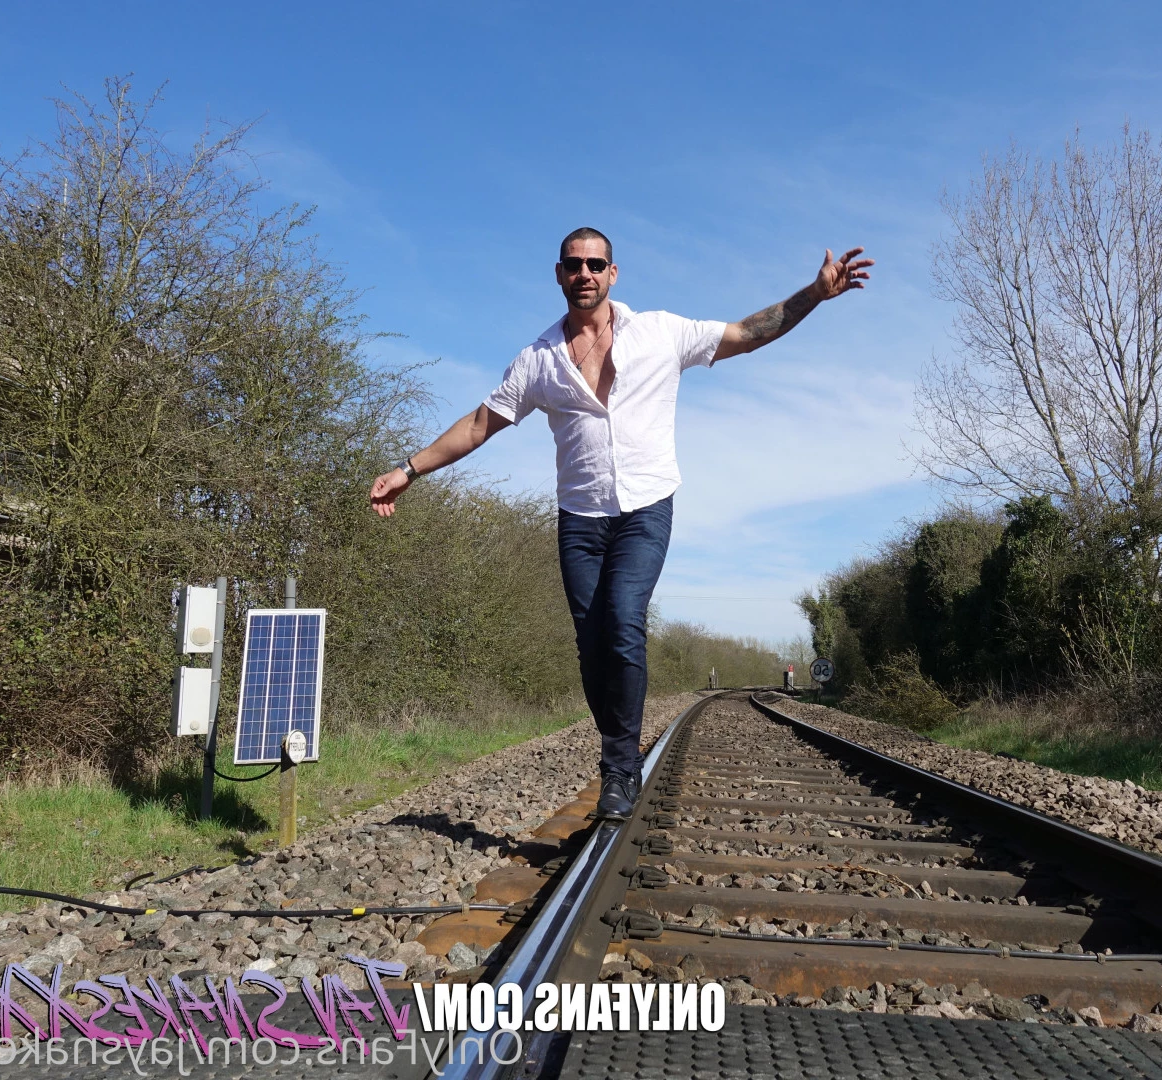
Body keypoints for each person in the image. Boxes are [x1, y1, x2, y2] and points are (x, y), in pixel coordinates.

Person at [369, 227, 872, 821]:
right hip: (580, 518)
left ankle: (619, 767)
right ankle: (619, 749)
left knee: (623, 621)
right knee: (591, 646)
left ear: (612, 273)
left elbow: (745, 333)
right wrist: (409, 469)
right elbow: (481, 423)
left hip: (645, 508)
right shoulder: (538, 360)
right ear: (559, 274)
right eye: (573, 264)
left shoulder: (660, 332)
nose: (584, 273)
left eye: (595, 264)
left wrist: (814, 293)